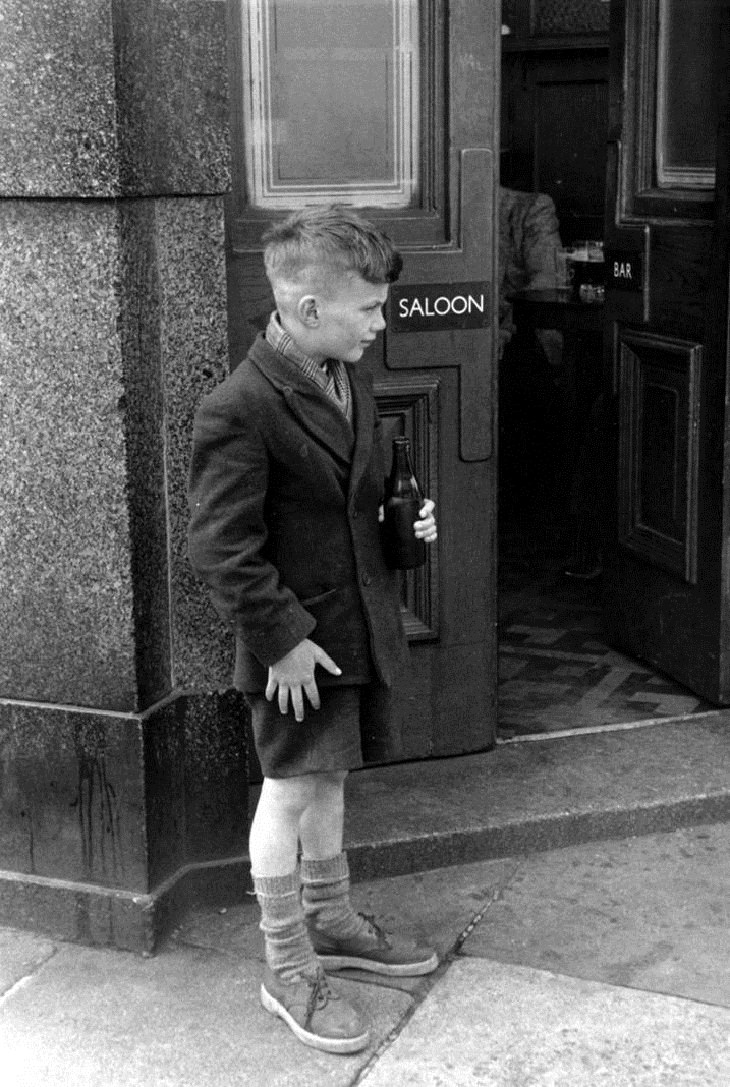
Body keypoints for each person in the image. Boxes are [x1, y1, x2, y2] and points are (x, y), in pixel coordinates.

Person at [188, 206, 439, 1055]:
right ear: (304, 311)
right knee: (289, 790)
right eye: (367, 308)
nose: (380, 321)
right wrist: (282, 637)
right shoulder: (241, 406)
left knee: (331, 780)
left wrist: (400, 523)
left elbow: (342, 503)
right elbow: (221, 546)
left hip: (351, 628)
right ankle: (288, 964)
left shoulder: (343, 377)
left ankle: (330, 917)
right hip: (295, 648)